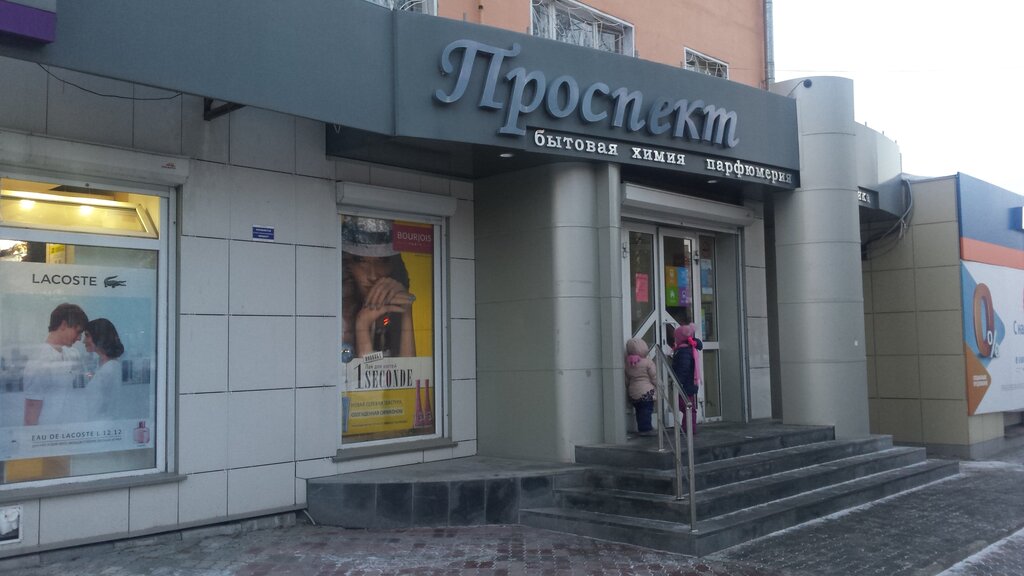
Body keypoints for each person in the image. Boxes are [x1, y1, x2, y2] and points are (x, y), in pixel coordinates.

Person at [341, 216, 416, 359]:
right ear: (348, 266)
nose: (373, 275)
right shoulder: (338, 319)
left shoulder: (388, 311)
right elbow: (362, 372)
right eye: (361, 261)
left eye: (382, 261)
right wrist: (362, 325)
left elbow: (410, 371)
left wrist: (406, 311)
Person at [23, 303, 89, 425]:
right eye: (78, 332)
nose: (79, 338)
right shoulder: (39, 360)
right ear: (63, 325)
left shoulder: (71, 353)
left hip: (68, 429)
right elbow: (30, 416)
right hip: (48, 432)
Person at [83, 318, 125, 421]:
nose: (84, 341)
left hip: (102, 423)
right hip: (99, 423)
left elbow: (108, 405)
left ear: (99, 336)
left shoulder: (109, 368)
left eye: (87, 335)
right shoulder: (105, 365)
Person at [671, 323, 703, 435]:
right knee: (687, 407)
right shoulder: (685, 349)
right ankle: (688, 428)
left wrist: (678, 382)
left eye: (676, 337)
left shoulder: (684, 351)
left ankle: (689, 429)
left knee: (687, 407)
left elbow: (683, 368)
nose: (675, 339)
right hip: (688, 383)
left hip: (685, 384)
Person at [624, 338, 658, 437]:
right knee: (647, 410)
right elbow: (654, 376)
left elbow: (626, 379)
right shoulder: (648, 362)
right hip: (646, 391)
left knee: (639, 411)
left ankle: (642, 427)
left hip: (633, 391)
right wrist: (658, 384)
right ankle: (646, 429)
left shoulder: (627, 363)